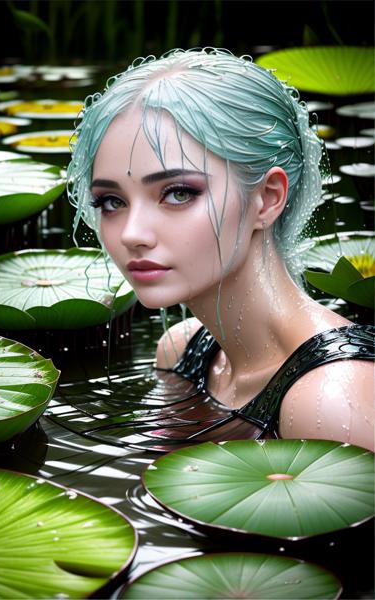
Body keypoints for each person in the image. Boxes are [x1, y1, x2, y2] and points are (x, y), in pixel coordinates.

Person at [68, 48, 374, 452]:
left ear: (266, 199)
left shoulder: (330, 401)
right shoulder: (179, 352)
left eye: (177, 193)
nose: (131, 233)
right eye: (111, 201)